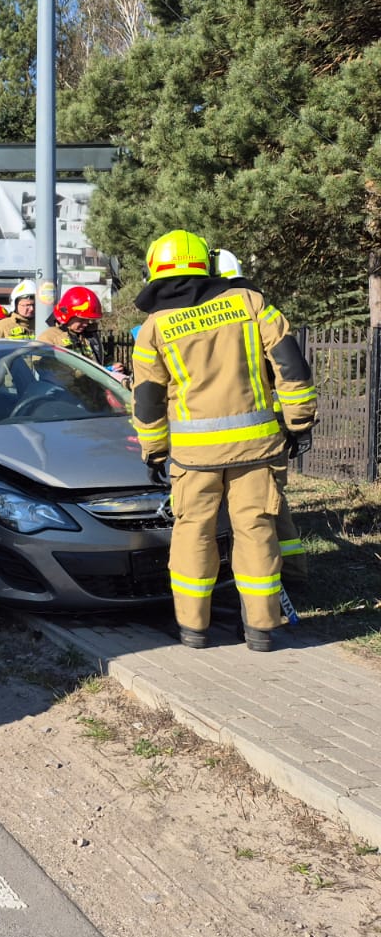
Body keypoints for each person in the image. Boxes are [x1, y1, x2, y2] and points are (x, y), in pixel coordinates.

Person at [131, 230, 317, 652]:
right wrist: (298, 421)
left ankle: (193, 630)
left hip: (194, 457)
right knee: (256, 530)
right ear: (206, 263)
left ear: (154, 269)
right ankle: (261, 630)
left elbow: (147, 399)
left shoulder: (154, 327)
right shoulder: (248, 303)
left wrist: (155, 449)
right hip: (256, 448)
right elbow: (290, 362)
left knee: (192, 533)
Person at [210, 246, 309, 603]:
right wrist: (298, 425)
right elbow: (289, 367)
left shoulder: (216, 318)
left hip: (235, 435)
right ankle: (291, 575)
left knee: (247, 517)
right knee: (272, 507)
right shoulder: (256, 308)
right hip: (269, 427)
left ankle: (256, 591)